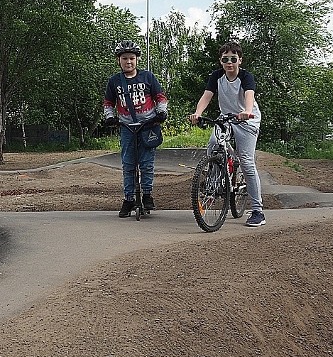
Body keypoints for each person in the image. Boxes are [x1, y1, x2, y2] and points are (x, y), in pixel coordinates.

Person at [188, 41, 266, 227]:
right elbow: (207, 96)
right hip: (226, 118)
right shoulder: (216, 76)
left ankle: (257, 211)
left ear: (240, 60)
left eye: (233, 59)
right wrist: (198, 113)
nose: (229, 63)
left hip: (247, 120)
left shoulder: (246, 76)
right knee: (213, 145)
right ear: (221, 61)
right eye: (225, 59)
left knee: (247, 161)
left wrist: (247, 111)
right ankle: (214, 183)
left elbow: (249, 95)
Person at [103, 39, 169, 217]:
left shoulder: (147, 77)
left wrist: (161, 113)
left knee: (147, 164)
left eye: (131, 58)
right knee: (128, 164)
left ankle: (147, 195)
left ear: (137, 59)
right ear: (119, 60)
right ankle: (129, 198)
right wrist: (110, 117)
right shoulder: (115, 81)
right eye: (124, 58)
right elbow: (108, 102)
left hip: (147, 126)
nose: (128, 62)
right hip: (126, 127)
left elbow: (160, 97)